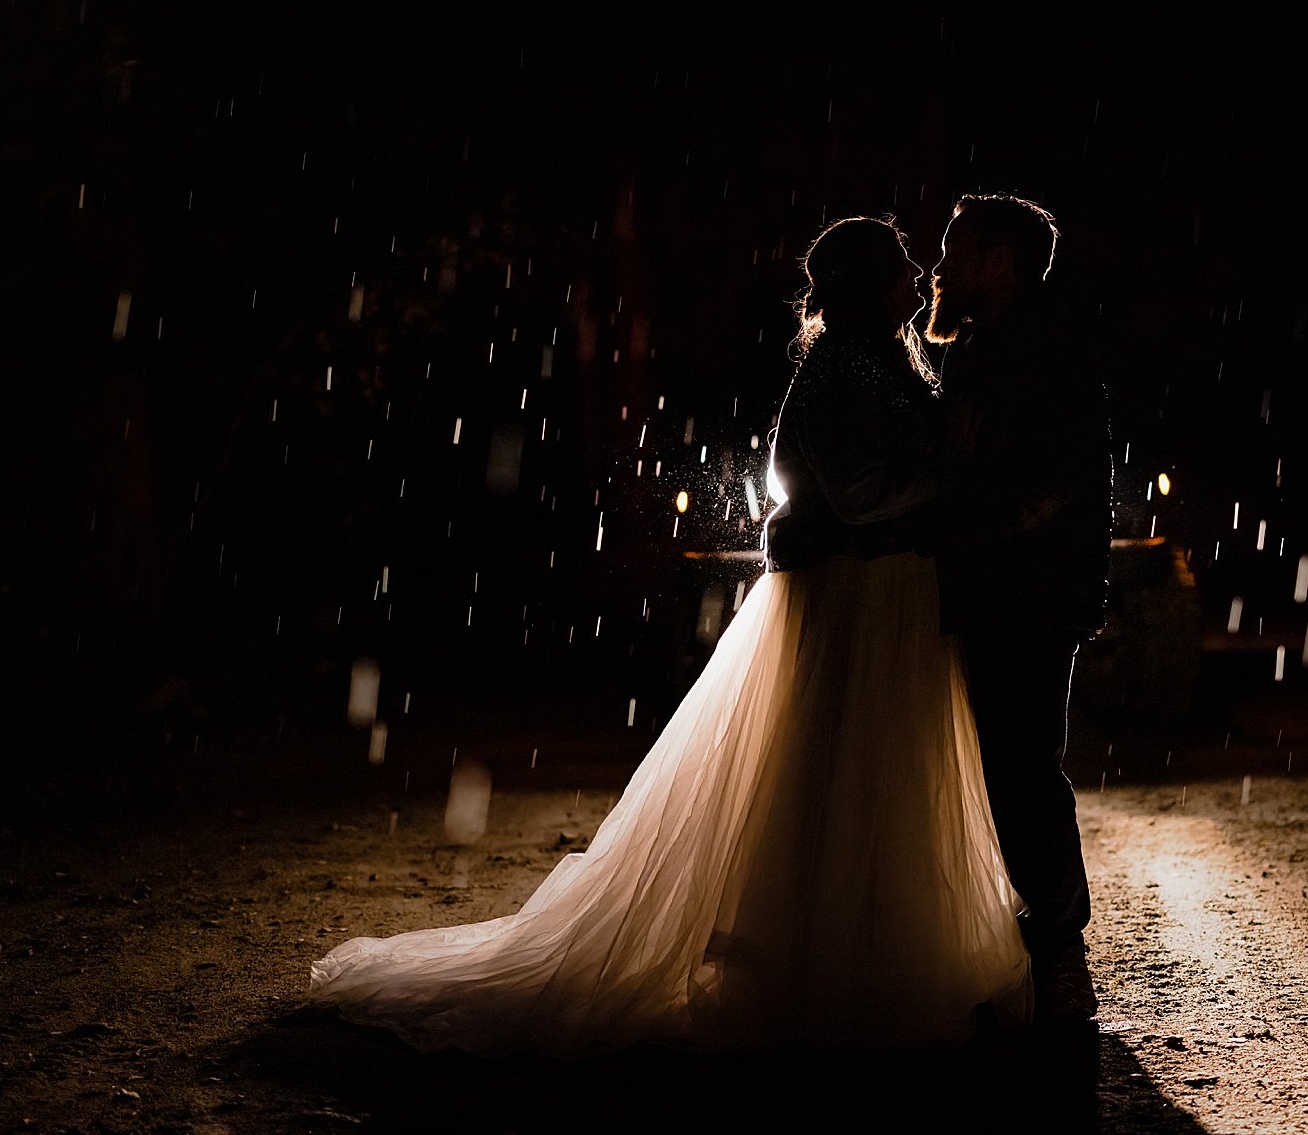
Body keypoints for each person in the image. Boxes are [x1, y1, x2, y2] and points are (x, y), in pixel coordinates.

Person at [307, 216, 1031, 1058]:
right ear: (868, 281)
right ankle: (819, 970)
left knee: (880, 774)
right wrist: (953, 467)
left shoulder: (888, 356)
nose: (918, 272)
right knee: (835, 772)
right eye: (901, 261)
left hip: (889, 597)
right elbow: (860, 492)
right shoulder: (841, 364)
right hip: (852, 601)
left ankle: (870, 958)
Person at [915, 193, 1114, 1023]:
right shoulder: (977, 346)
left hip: (1031, 592)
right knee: (999, 763)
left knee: (1024, 763)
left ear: (999, 263)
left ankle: (1061, 946)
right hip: (995, 586)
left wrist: (978, 530)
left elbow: (1056, 483)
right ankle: (1022, 943)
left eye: (957, 246)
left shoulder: (1049, 348)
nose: (940, 260)